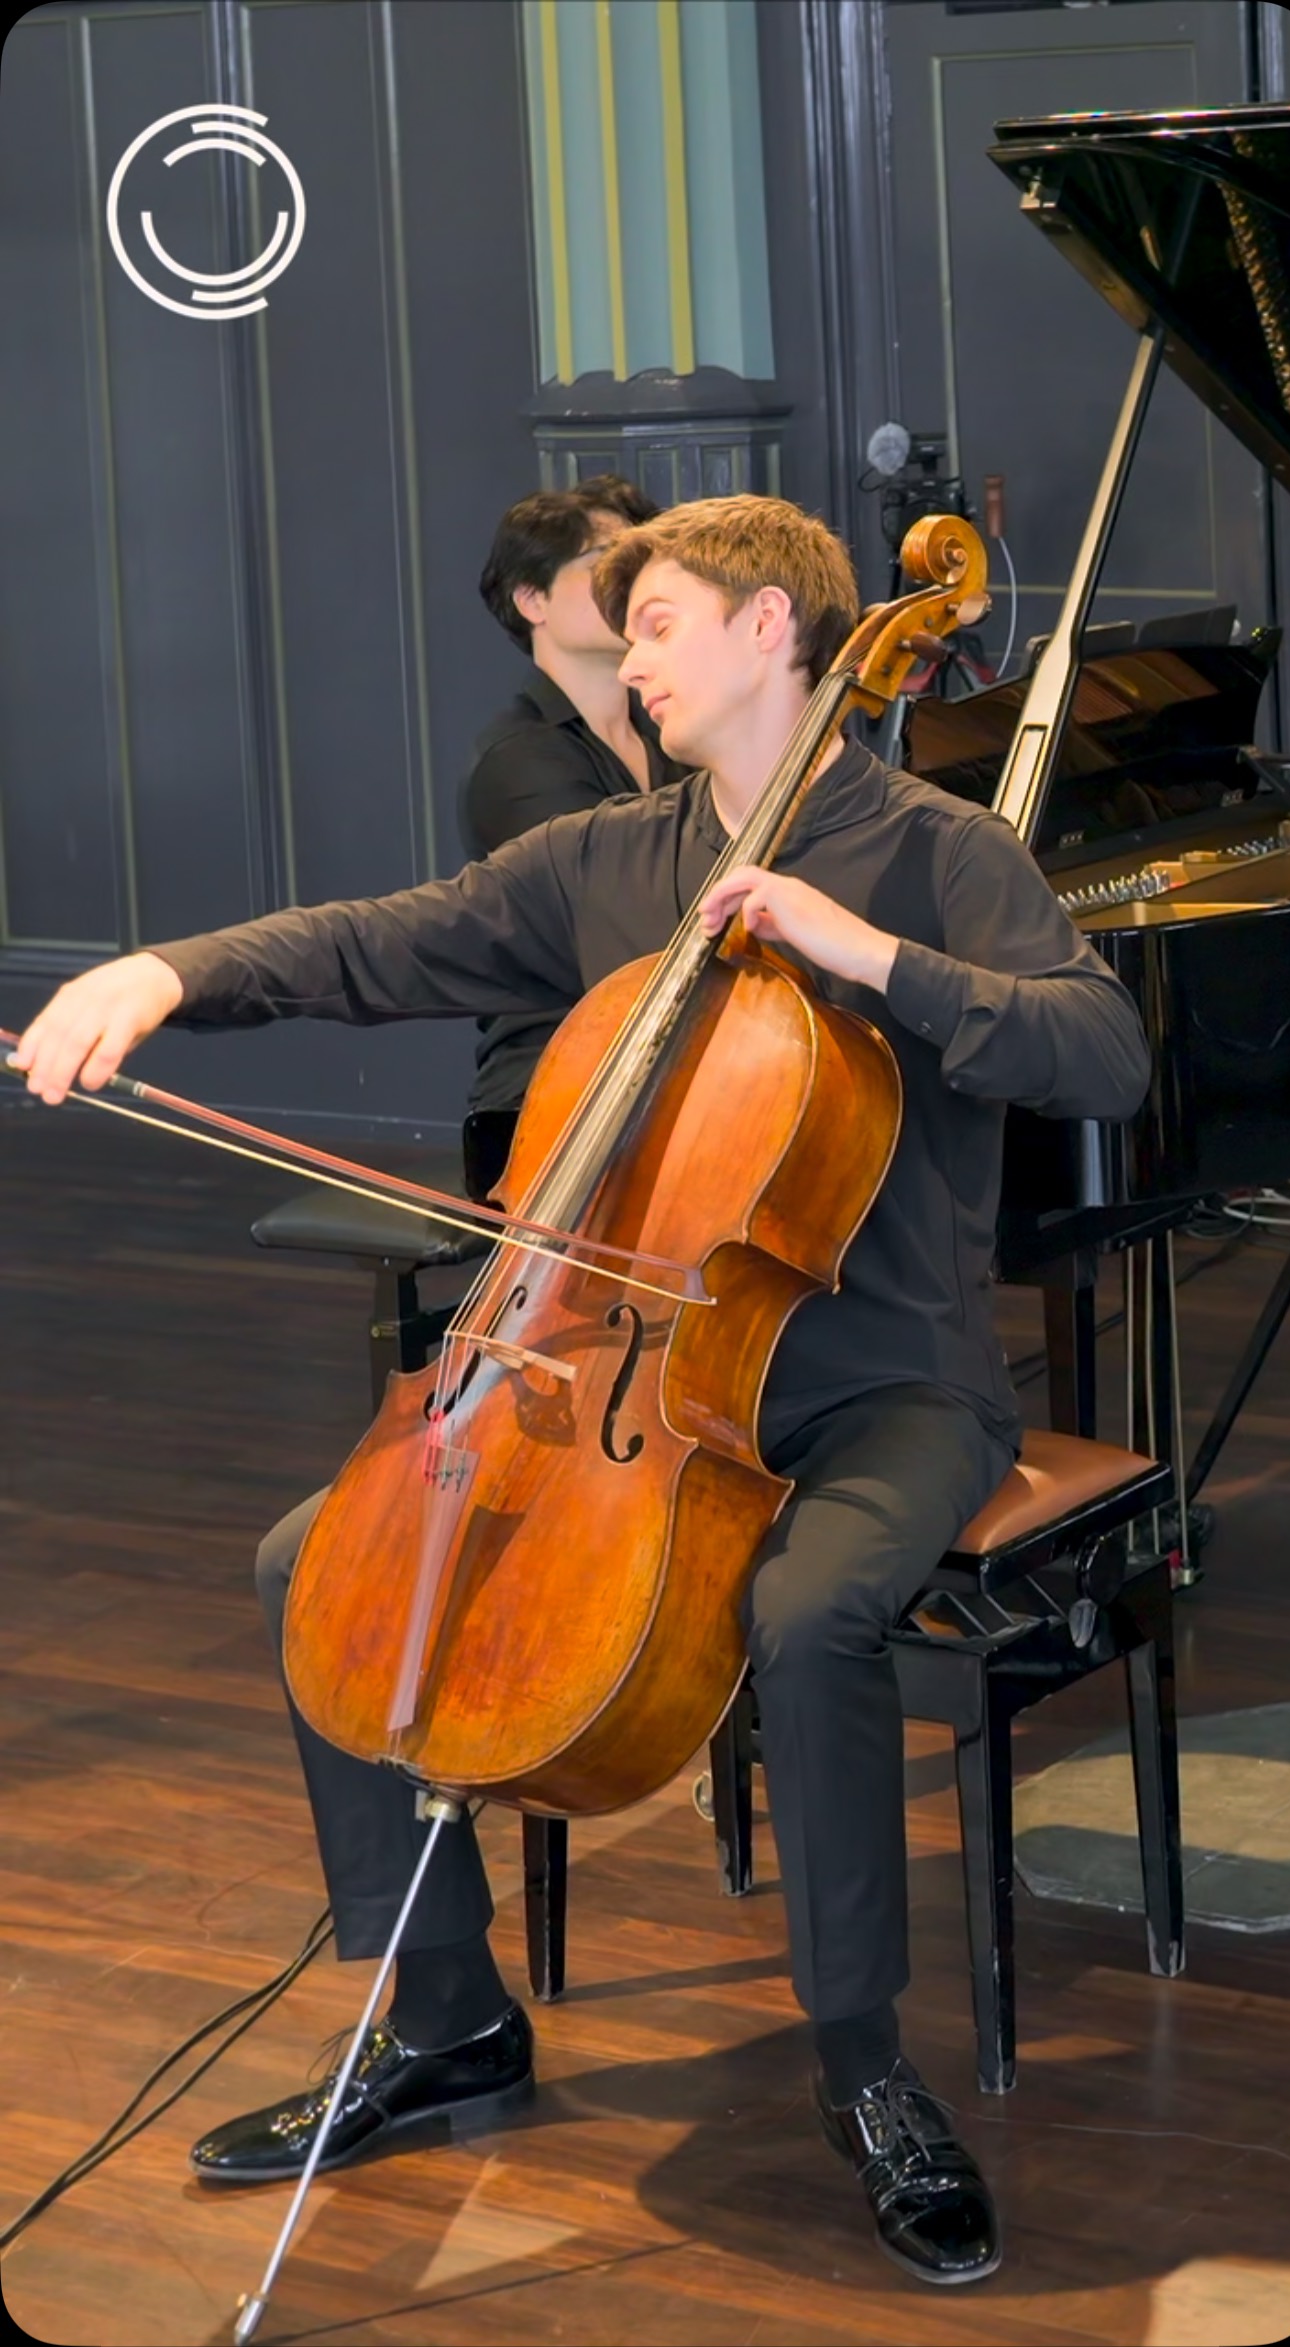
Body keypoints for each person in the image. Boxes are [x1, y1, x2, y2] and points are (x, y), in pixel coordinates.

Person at [14, 494, 1150, 2288]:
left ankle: (865, 2066)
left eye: (662, 624)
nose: (630, 660)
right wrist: (166, 973)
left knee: (812, 1611)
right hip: (630, 1375)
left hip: (883, 1384)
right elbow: (378, 942)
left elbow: (1104, 1049)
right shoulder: (611, 860)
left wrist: (867, 957)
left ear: (774, 629)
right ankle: (448, 2018)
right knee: (310, 1561)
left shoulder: (939, 852)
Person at [462, 475, 685, 1143]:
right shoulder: (520, 759)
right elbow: (628, 918)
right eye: (603, 564)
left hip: (662, 1055)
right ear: (531, 599)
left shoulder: (670, 735)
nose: (630, 585)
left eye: (638, 564)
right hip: (554, 1087)